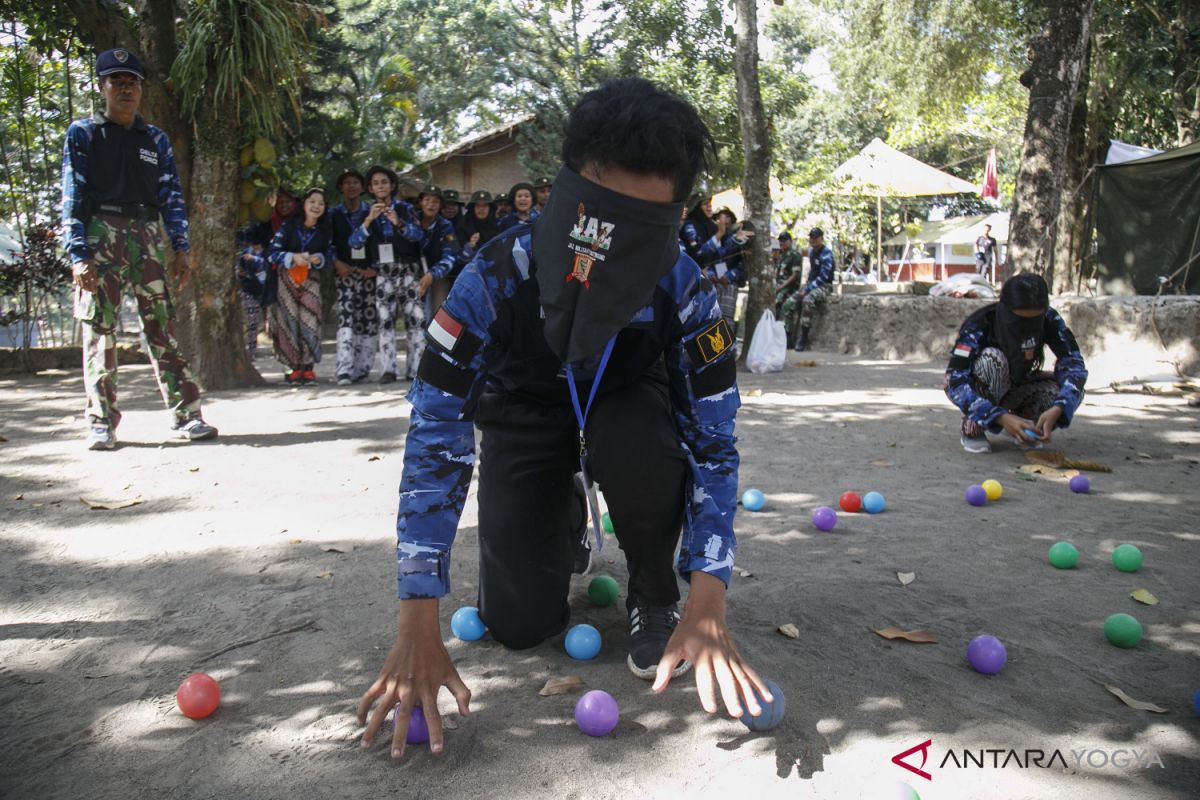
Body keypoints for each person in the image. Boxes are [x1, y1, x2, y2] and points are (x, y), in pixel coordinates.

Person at [356, 77, 771, 761]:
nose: (611, 249)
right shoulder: (491, 278)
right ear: (566, 189)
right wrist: (417, 615)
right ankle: (563, 507)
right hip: (524, 414)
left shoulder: (687, 289)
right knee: (518, 626)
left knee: (638, 448)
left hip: (627, 403)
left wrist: (709, 597)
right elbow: (436, 437)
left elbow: (714, 442)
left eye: (641, 232)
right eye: (599, 216)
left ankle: (652, 587)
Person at [61, 47, 217, 450]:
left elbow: (171, 197)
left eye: (132, 82)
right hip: (101, 234)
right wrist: (78, 254)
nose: (126, 89)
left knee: (163, 329)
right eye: (117, 81)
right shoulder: (84, 134)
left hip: (147, 238)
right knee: (100, 332)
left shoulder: (155, 139)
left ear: (141, 89)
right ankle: (101, 423)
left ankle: (187, 416)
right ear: (102, 87)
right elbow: (72, 195)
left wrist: (181, 249)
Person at [946, 272, 1087, 454]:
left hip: (1020, 385)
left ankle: (1026, 428)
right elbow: (953, 382)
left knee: (1073, 388)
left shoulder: (1050, 320)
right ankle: (974, 428)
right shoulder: (981, 325)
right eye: (1018, 320)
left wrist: (1060, 406)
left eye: (1033, 320)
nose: (1025, 328)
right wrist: (999, 416)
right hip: (985, 390)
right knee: (991, 360)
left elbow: (1073, 363)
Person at [348, 166, 423, 384]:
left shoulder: (405, 208)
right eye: (376, 183)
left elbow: (419, 236)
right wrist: (368, 221)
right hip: (383, 272)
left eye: (384, 182)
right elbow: (354, 243)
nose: (381, 186)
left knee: (416, 319)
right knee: (385, 320)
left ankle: (415, 369)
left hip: (407, 269)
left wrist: (399, 223)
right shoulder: (364, 212)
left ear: (391, 186)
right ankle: (388, 369)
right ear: (370, 188)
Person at [268, 188, 334, 385]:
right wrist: (292, 257)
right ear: (303, 205)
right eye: (312, 202)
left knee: (310, 320)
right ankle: (293, 368)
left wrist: (319, 258)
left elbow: (330, 254)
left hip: (311, 279)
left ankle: (308, 367)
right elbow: (272, 252)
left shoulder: (324, 230)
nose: (316, 206)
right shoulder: (288, 226)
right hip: (287, 278)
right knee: (289, 321)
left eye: (320, 203)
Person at [329, 169, 378, 385]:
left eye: (356, 182)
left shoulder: (371, 212)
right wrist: (336, 264)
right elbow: (325, 242)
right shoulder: (333, 214)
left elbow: (381, 241)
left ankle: (363, 368)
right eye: (347, 182)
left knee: (367, 319)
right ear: (341, 187)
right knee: (346, 318)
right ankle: (344, 369)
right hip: (345, 272)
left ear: (362, 187)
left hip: (368, 273)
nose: (351, 186)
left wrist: (376, 267)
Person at [779, 227, 834, 352]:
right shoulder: (811, 252)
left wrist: (808, 289)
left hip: (825, 286)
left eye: (815, 237)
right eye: (811, 237)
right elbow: (812, 274)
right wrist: (806, 287)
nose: (813, 240)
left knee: (808, 300)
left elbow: (824, 277)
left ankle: (803, 337)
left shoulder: (826, 253)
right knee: (788, 303)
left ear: (821, 238)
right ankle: (788, 338)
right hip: (811, 284)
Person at [413, 184, 460, 323]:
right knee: (415, 317)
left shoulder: (445, 225)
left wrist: (432, 274)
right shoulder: (411, 221)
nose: (431, 205)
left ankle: (434, 344)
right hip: (412, 274)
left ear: (440, 205)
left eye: (435, 201)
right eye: (427, 200)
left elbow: (451, 256)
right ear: (421, 202)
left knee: (439, 315)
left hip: (437, 276)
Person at [455, 189, 498, 271]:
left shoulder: (498, 226)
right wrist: (469, 247)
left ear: (490, 208)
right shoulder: (462, 227)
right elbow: (457, 259)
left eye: (485, 205)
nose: (481, 209)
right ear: (472, 208)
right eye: (478, 206)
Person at [774, 231, 803, 310]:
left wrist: (780, 287)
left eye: (784, 240)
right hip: (779, 285)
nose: (782, 243)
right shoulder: (781, 255)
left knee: (777, 300)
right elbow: (776, 272)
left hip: (790, 287)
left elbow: (795, 275)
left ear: (790, 241)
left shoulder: (795, 255)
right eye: (780, 241)